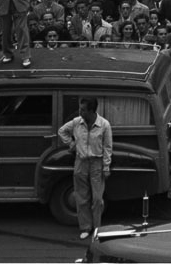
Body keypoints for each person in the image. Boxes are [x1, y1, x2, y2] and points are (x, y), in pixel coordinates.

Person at [57, 96, 113, 241]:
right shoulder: (77, 122)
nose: (80, 112)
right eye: (80, 109)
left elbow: (107, 147)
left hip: (96, 162)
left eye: (83, 110)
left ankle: (97, 228)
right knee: (81, 197)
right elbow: (62, 131)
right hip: (81, 161)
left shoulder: (104, 124)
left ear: (91, 111)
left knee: (97, 199)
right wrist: (71, 144)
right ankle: (85, 227)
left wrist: (106, 166)